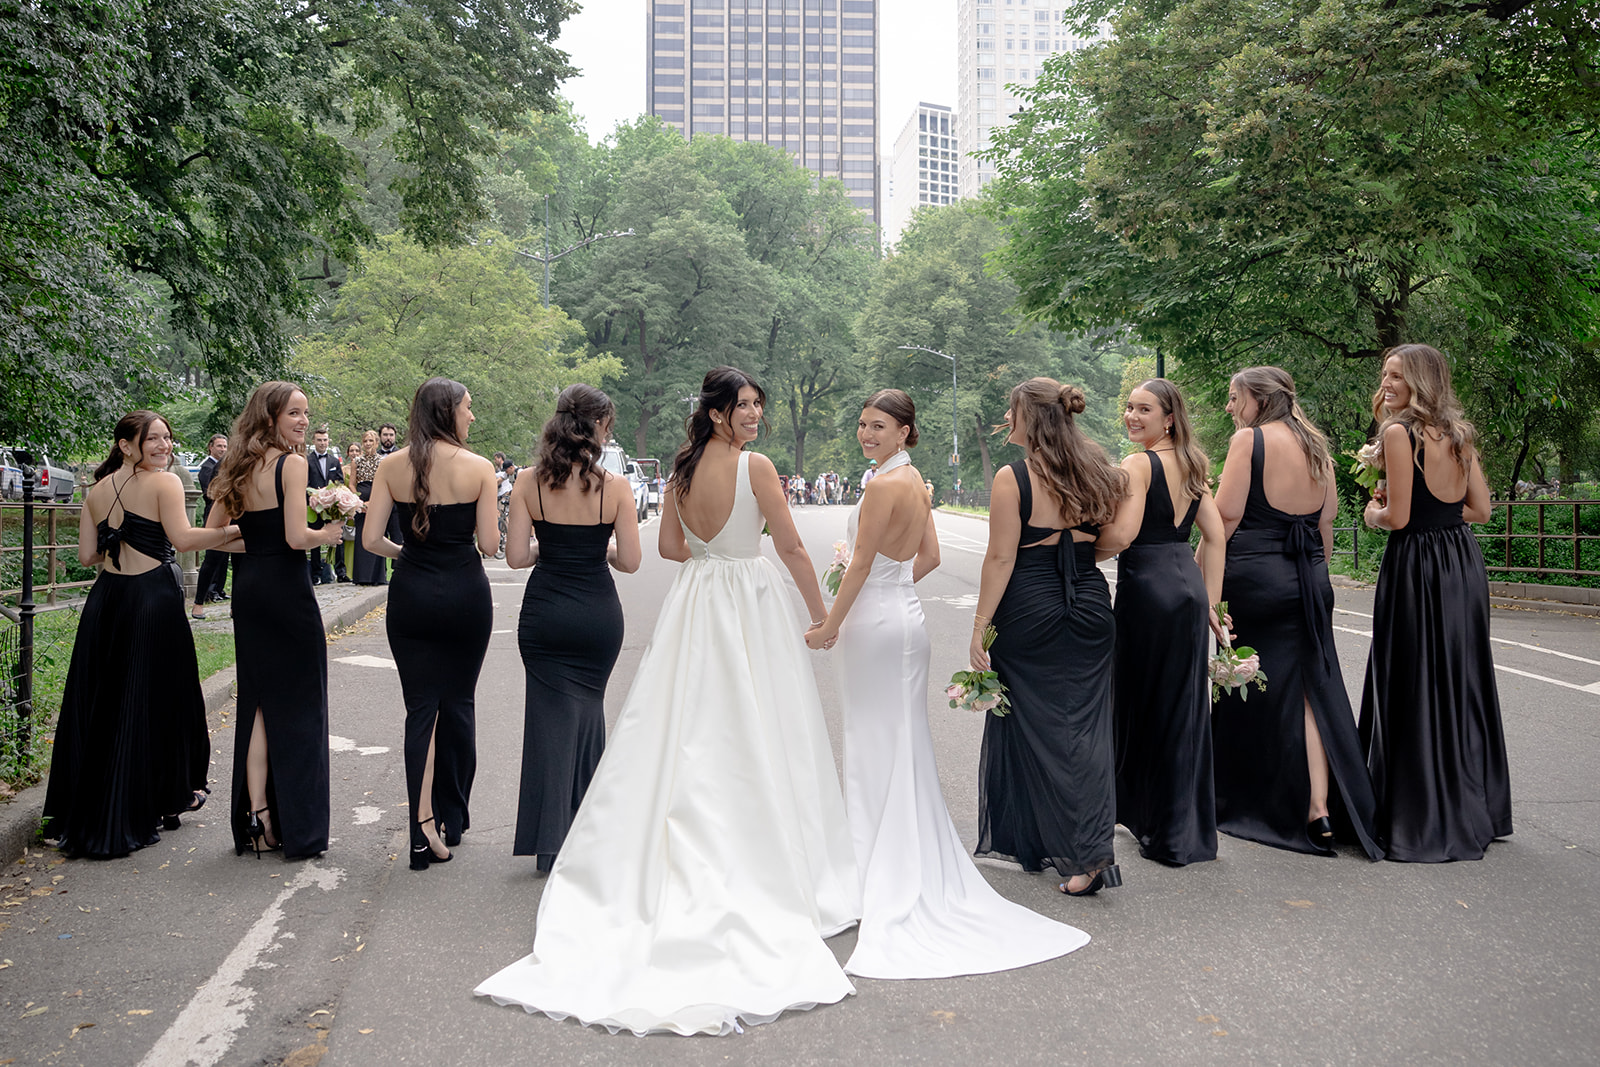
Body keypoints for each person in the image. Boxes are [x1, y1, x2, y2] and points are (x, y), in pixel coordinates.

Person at [476, 366, 859, 1035]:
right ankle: (765, 851)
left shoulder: (681, 471)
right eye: (743, 406)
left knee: (688, 726)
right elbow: (793, 545)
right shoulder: (757, 467)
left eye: (757, 406)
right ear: (716, 413)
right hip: (749, 598)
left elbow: (672, 548)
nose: (754, 416)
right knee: (762, 723)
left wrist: (714, 556)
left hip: (699, 601)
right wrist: (822, 613)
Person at [805, 389, 1088, 978]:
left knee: (872, 740)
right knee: (900, 741)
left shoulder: (884, 486)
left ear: (906, 430)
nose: (867, 434)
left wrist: (833, 621)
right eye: (862, 425)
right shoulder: (913, 483)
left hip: (876, 625)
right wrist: (892, 584)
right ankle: (899, 860)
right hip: (905, 618)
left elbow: (859, 563)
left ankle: (873, 870)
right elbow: (928, 556)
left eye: (879, 426)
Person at [42, 412, 239, 858]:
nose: (164, 446)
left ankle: (111, 800)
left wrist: (123, 538)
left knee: (106, 703)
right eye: (153, 439)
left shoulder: (96, 490)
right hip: (151, 600)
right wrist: (239, 528)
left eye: (167, 438)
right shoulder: (165, 484)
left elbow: (89, 556)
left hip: (107, 601)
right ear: (126, 445)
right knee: (159, 699)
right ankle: (162, 796)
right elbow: (185, 540)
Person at [1207, 366, 1382, 860]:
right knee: (1309, 692)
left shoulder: (1250, 442)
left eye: (1234, 397)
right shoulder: (1316, 448)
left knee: (1251, 683)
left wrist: (1211, 597)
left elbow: (1224, 520)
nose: (1230, 407)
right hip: (1307, 580)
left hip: (1255, 577)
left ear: (1258, 400)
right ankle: (1319, 808)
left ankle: (1256, 798)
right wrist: (1313, 582)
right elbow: (1325, 526)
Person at [969, 378, 1127, 895]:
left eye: (1012, 411)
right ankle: (1074, 844)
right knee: (1085, 728)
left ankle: (1083, 855)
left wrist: (979, 628)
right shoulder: (1097, 469)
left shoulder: (1013, 478)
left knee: (1038, 727)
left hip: (1031, 609)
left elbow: (1000, 558)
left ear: (1030, 417)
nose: (1006, 418)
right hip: (1089, 602)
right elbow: (1111, 540)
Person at [1359, 344, 1510, 861]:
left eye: (1397, 376)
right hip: (1461, 566)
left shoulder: (1399, 433)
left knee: (1415, 678)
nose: (1387, 383)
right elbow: (1481, 510)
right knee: (1458, 678)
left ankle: (1420, 812)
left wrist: (1370, 515)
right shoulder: (1459, 436)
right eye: (1385, 375)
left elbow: (1397, 518)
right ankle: (1477, 805)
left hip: (1416, 567)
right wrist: (1441, 520)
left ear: (1422, 381)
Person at [505, 385, 641, 872]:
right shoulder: (616, 488)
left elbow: (517, 557)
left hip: (545, 614)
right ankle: (588, 831)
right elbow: (629, 561)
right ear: (599, 426)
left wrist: (553, 550)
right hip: (597, 616)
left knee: (547, 725)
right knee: (588, 720)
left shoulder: (527, 482)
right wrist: (592, 551)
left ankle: (549, 841)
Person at [206, 382, 344, 859]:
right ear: (269, 418)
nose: (304, 421)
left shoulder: (237, 465)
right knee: (302, 707)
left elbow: (212, 537)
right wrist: (327, 532)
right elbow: (295, 537)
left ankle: (260, 814)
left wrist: (256, 544)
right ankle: (297, 827)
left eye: (306, 413)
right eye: (294, 413)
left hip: (249, 592)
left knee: (259, 704)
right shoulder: (292, 463)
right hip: (286, 593)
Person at [364, 379, 498, 869]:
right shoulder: (480, 468)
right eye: (468, 408)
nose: (472, 417)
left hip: (412, 594)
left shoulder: (390, 465)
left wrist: (410, 554)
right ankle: (452, 816)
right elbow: (489, 544)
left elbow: (372, 540)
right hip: (465, 592)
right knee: (458, 703)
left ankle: (421, 826)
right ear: (448, 413)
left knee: (421, 709)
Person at [1097, 379, 1225, 866]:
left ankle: (1155, 822)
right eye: (1128, 407)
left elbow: (1125, 534)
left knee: (1140, 703)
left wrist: (1079, 558)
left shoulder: (1138, 464)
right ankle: (1178, 831)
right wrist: (1209, 599)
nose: (1132, 416)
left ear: (1168, 417)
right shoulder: (1193, 465)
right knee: (1180, 708)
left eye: (1143, 409)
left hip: (1148, 591)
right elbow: (1215, 536)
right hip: (1187, 590)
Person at [191, 433, 231, 619]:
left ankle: (232, 601)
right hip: (217, 513)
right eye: (219, 446)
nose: (223, 449)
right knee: (213, 557)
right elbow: (210, 493)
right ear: (211, 447)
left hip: (238, 514)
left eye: (225, 446)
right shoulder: (209, 467)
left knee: (238, 560)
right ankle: (199, 601)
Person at [305, 426, 344, 584]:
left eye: (325, 440)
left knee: (336, 536)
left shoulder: (334, 461)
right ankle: (316, 574)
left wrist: (334, 495)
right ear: (313, 441)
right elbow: (305, 482)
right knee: (315, 538)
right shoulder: (307, 460)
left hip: (331, 506)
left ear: (329, 441)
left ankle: (341, 572)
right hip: (314, 506)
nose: (322, 443)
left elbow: (340, 481)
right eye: (319, 440)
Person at [349, 431, 387, 585]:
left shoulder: (383, 461)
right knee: (361, 536)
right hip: (360, 501)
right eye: (365, 441)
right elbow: (352, 483)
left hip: (378, 499)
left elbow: (384, 483)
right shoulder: (356, 461)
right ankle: (361, 576)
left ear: (377, 443)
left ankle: (377, 576)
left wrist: (374, 501)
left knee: (377, 534)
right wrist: (358, 500)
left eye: (371, 440)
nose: (368, 443)